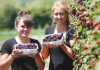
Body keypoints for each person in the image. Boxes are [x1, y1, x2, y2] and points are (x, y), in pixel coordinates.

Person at [41, 0, 75, 70]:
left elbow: (75, 56)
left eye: (61, 14)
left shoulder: (71, 30)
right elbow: (44, 56)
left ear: (66, 14)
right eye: (56, 14)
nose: (59, 17)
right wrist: (44, 46)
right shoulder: (49, 30)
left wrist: (60, 43)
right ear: (53, 15)